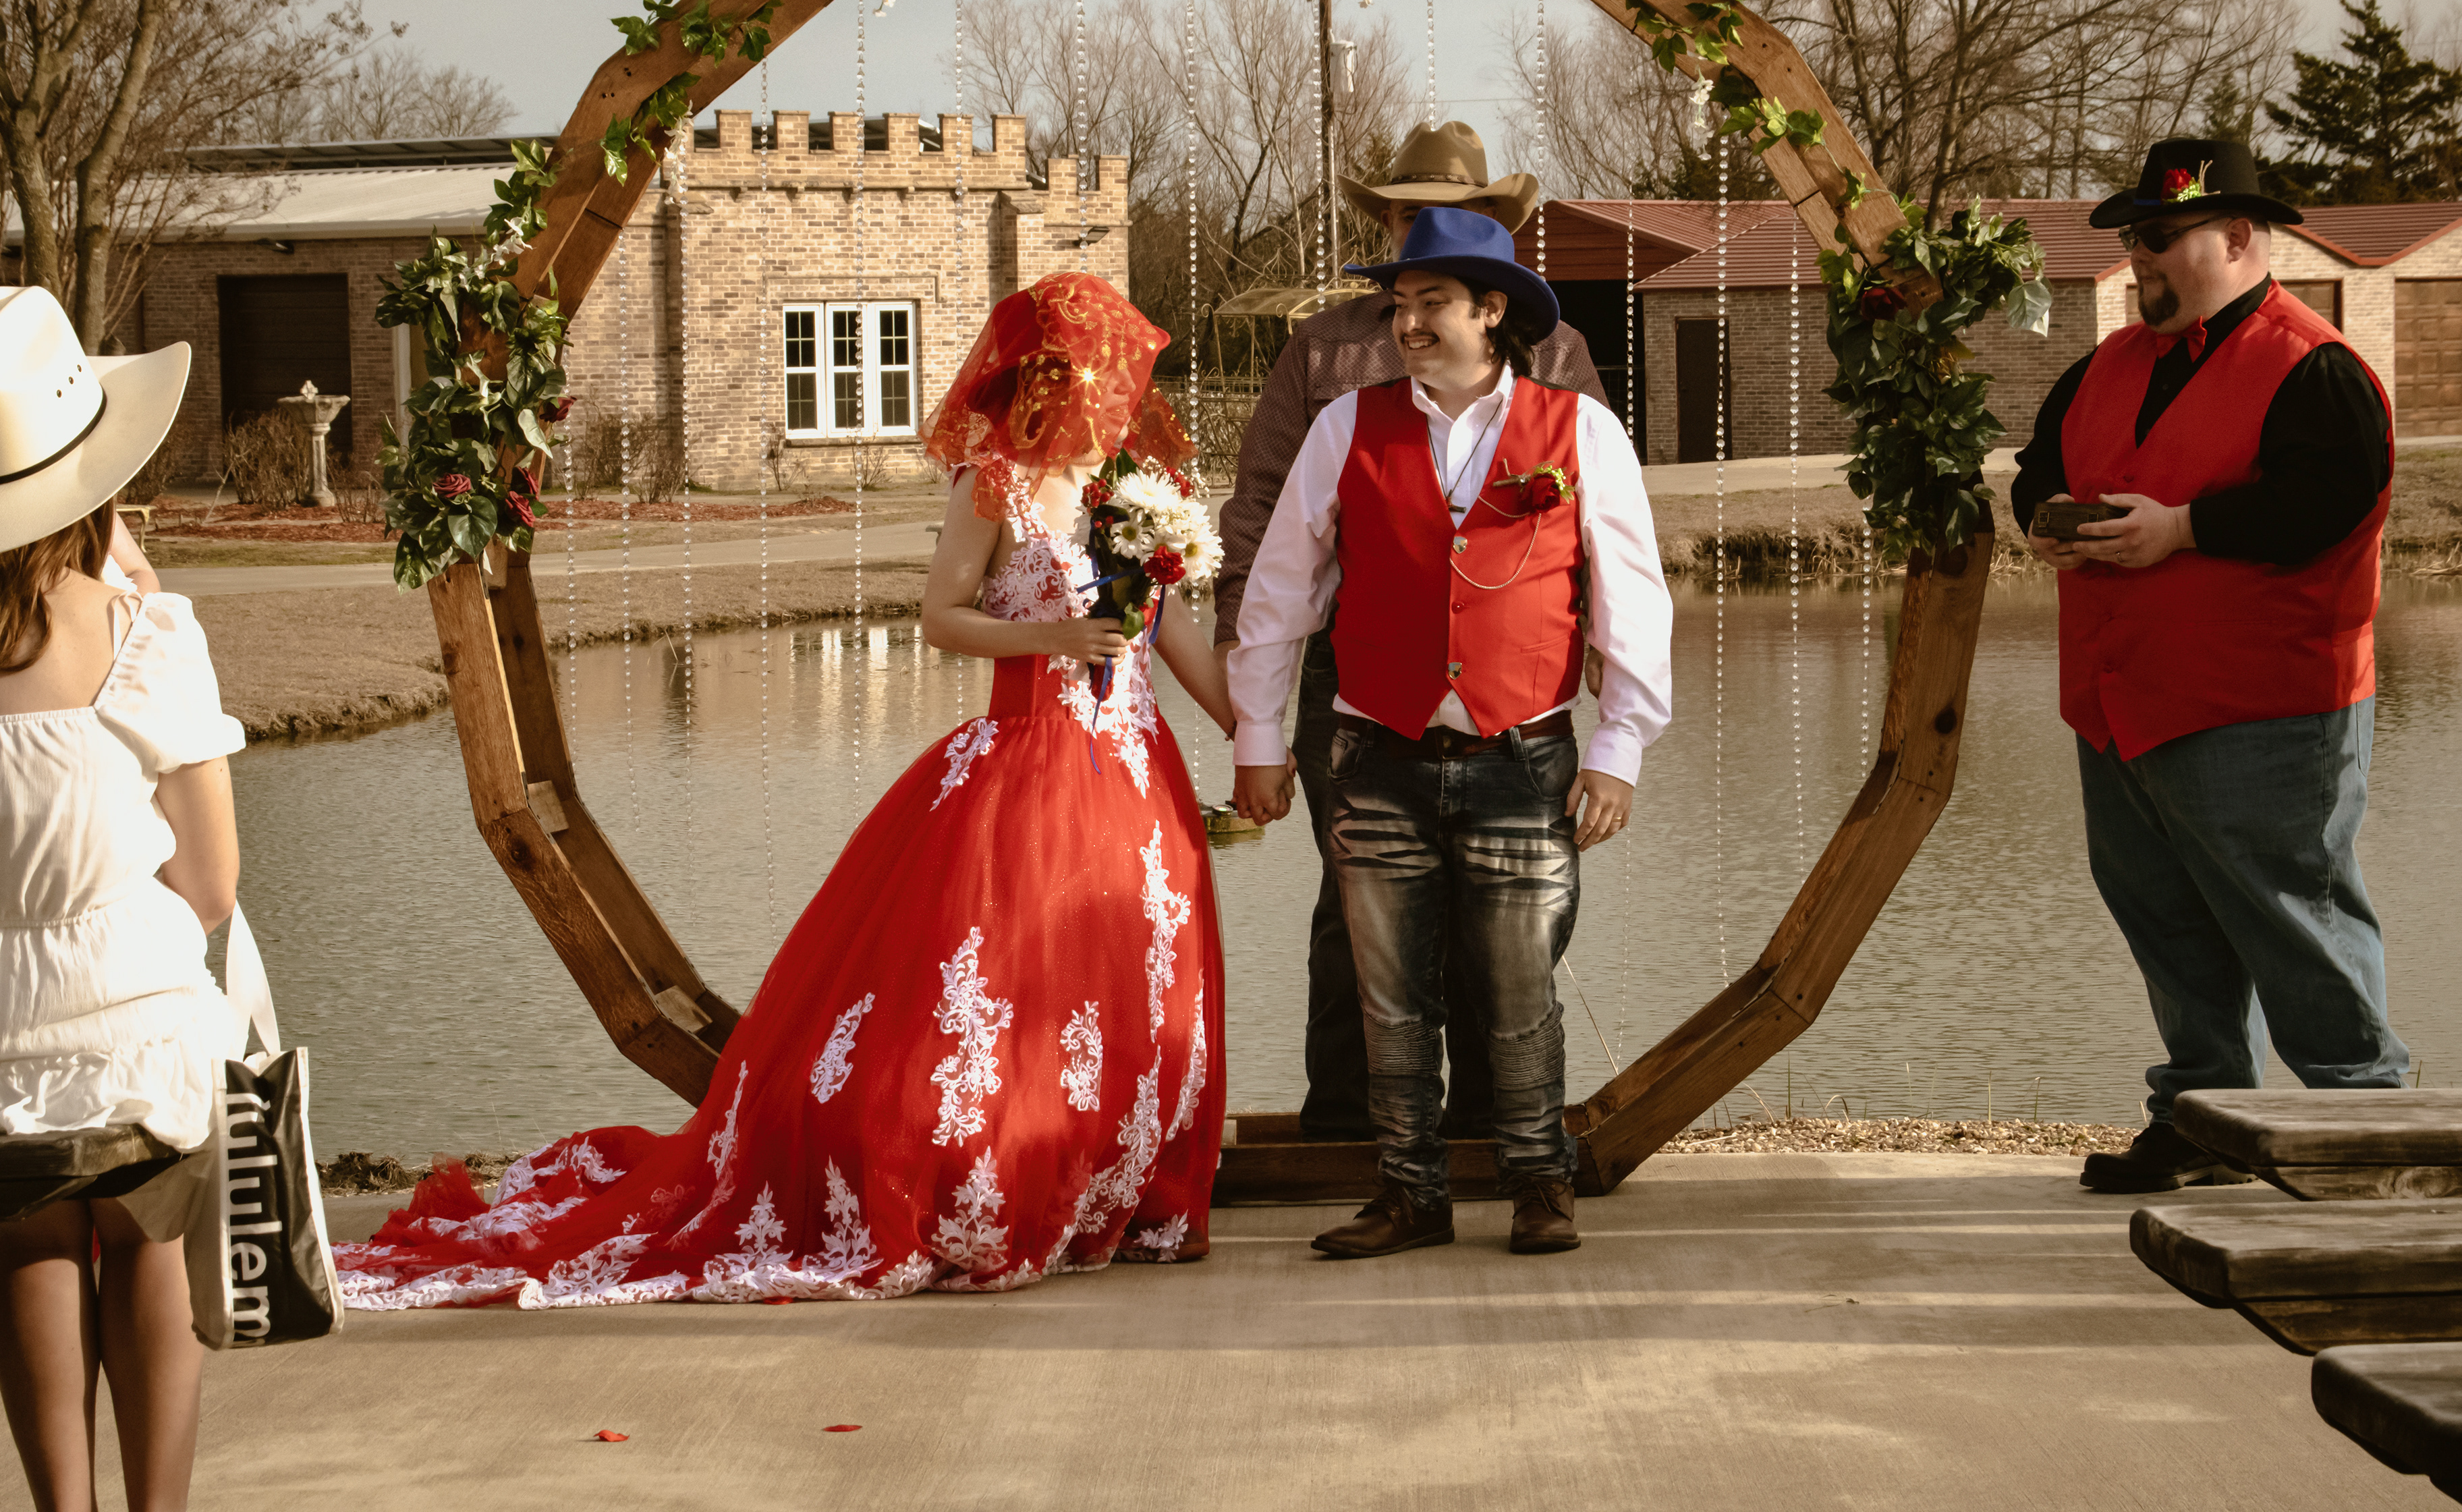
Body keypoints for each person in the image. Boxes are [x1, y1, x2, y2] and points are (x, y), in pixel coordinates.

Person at [333, 273, 1237, 1307]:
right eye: (1099, 371)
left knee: (1119, 980)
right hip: (1028, 765)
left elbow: (1174, 628)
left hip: (1134, 776)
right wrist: (1056, 638)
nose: (1119, 391)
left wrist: (1249, 737)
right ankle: (989, 1189)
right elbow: (941, 618)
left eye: (1125, 373)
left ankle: (1109, 1189)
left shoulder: (1128, 492)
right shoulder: (993, 486)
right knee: (998, 989)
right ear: (1044, 376)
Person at [1228, 208, 1671, 1256]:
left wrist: (1620, 748)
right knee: (1388, 999)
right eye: (1400, 302)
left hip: (1524, 756)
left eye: (1432, 302)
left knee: (1518, 988)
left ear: (1492, 311)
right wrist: (1258, 739)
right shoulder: (1347, 426)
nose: (1407, 321)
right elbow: (1282, 590)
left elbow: (1633, 599)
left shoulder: (1581, 430)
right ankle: (1410, 1195)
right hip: (1374, 753)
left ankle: (1538, 1183)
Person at [2010, 139, 2410, 1194]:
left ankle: (2366, 1130)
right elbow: (2038, 468)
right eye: (2133, 237)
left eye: (2157, 236)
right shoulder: (2107, 363)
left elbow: (2330, 503)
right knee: (2165, 919)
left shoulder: (2315, 365)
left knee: (2296, 918)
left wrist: (2184, 528)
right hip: (2119, 702)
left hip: (2266, 708)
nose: (2138, 256)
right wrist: (2043, 520)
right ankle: (2205, 1117)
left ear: (2236, 237)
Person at [1213, 119, 1611, 1144]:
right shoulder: (1323, 346)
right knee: (1357, 901)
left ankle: (1491, 1127)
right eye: (1404, 211)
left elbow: (1595, 524)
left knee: (1503, 912)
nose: (1420, 225)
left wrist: (1606, 689)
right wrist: (1250, 690)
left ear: (1490, 236)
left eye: (1447, 211)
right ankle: (1355, 1128)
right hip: (1352, 671)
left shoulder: (1556, 350)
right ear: (1385, 223)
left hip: (1512, 685)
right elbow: (1263, 514)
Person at [0, 286, 237, 1511]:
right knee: (148, 1256)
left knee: (31, 1262)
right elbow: (212, 884)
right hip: (137, 1023)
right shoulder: (147, 638)